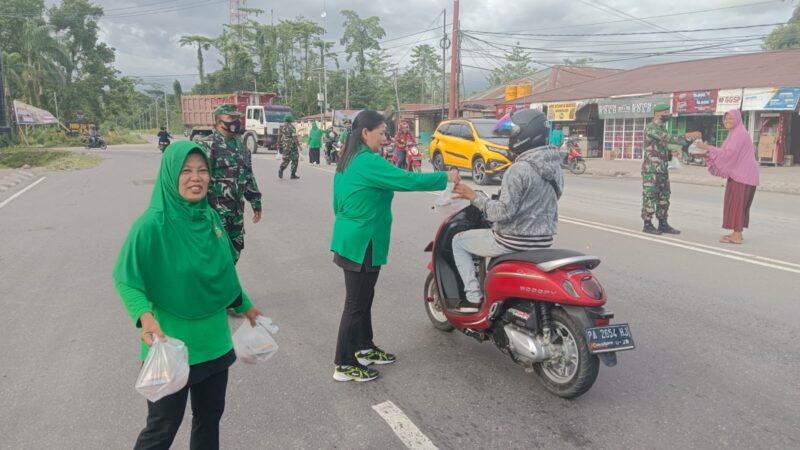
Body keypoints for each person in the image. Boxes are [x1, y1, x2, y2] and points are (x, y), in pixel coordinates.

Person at [113, 141, 264, 449]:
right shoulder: (152, 225)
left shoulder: (210, 218)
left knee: (209, 420)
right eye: (186, 171)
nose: (196, 178)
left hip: (214, 344)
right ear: (170, 174)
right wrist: (144, 318)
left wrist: (246, 307)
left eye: (202, 171)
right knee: (161, 429)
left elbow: (223, 274)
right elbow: (127, 279)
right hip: (170, 346)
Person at [330, 110, 460, 382]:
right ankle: (343, 364)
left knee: (365, 298)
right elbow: (406, 180)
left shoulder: (349, 159)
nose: (385, 138)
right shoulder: (366, 161)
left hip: (355, 238)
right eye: (381, 133)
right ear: (365, 133)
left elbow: (337, 204)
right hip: (361, 241)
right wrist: (444, 177)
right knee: (355, 304)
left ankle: (364, 347)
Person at [451, 110, 563, 312]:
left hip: (512, 241)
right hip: (544, 241)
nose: (509, 140)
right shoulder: (555, 166)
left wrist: (473, 197)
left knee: (458, 241)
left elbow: (500, 214)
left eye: (512, 134)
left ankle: (473, 297)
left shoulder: (518, 169)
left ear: (525, 135)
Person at [199, 104, 262, 263]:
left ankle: (227, 285)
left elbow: (248, 177)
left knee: (235, 252)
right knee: (214, 256)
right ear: (218, 121)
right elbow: (199, 181)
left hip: (236, 214)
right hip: (214, 214)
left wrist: (256, 203)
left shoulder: (242, 147)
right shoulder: (207, 145)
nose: (235, 121)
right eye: (230, 118)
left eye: (237, 118)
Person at [692, 110, 759, 244]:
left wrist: (708, 148)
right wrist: (707, 151)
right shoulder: (734, 134)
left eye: (730, 119)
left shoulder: (739, 134)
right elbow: (724, 153)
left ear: (737, 119)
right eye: (725, 119)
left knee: (737, 204)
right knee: (735, 203)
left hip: (743, 175)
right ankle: (736, 232)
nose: (727, 122)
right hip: (740, 174)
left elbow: (728, 155)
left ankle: (737, 235)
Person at [641, 104, 701, 235]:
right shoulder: (651, 128)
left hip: (662, 169)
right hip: (651, 170)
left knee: (664, 196)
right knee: (650, 197)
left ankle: (663, 223)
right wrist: (688, 135)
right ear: (657, 113)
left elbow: (660, 147)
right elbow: (668, 138)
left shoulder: (662, 128)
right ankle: (647, 224)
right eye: (665, 111)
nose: (668, 114)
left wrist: (670, 153)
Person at [278, 113, 301, 179]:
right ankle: (293, 174)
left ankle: (281, 170)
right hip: (292, 146)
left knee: (286, 159)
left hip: (285, 145)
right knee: (295, 159)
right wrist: (299, 146)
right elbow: (294, 137)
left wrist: (279, 145)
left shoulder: (281, 127)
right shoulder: (292, 127)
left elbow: (279, 136)